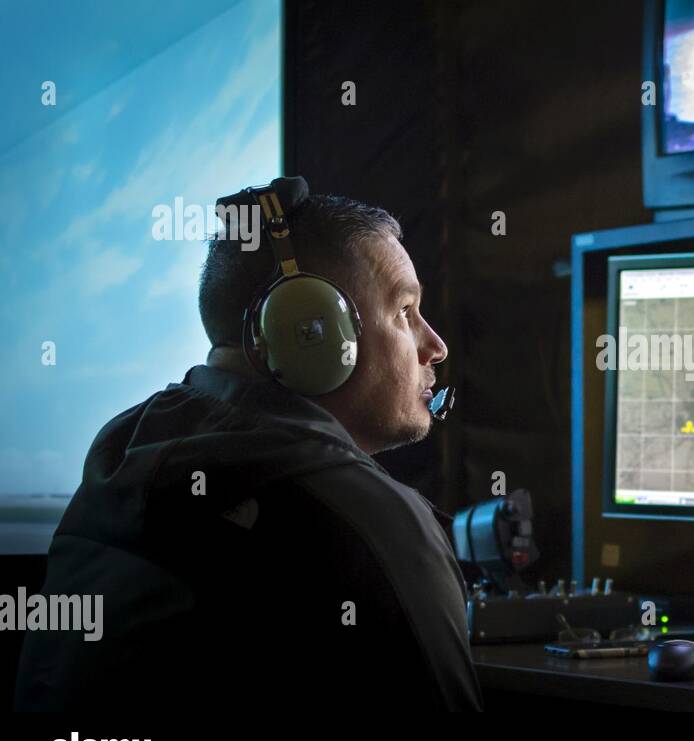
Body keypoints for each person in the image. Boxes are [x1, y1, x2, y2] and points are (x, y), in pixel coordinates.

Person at [14, 177, 482, 712]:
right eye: (404, 311)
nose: (436, 346)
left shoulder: (118, 465)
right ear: (314, 329)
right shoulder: (373, 521)